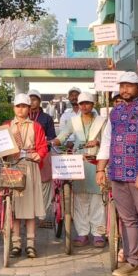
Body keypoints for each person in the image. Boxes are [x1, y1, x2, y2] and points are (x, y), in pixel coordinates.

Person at [96, 73, 138, 276]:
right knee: (127, 220)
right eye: (122, 86)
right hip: (117, 172)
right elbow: (106, 141)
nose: (125, 89)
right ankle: (132, 261)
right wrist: (100, 169)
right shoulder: (115, 112)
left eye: (129, 86)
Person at [54, 92, 108, 247]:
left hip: (97, 162)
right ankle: (83, 233)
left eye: (87, 103)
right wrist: (53, 142)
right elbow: (63, 136)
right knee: (79, 199)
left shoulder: (102, 121)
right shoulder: (74, 121)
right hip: (79, 162)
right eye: (81, 104)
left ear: (92, 105)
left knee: (97, 199)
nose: (84, 106)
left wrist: (97, 142)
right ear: (78, 105)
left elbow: (107, 140)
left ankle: (98, 233)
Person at [5, 94, 49, 258]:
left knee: (29, 207)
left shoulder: (36, 126)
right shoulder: (7, 126)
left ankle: (30, 244)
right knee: (14, 206)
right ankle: (16, 244)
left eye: (24, 106)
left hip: (30, 166)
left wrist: (39, 154)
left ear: (29, 108)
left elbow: (43, 146)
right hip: (13, 166)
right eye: (18, 106)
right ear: (14, 108)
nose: (21, 109)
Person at [27, 89, 56, 219]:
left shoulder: (46, 118)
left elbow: (52, 136)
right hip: (27, 154)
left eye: (34, 99)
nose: (31, 102)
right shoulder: (23, 117)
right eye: (30, 99)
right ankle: (29, 211)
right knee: (28, 183)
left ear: (39, 101)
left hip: (43, 154)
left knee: (44, 183)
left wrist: (43, 141)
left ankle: (42, 214)